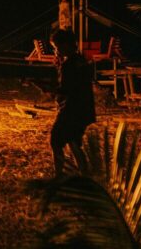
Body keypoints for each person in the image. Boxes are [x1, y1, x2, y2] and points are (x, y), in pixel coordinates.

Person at [48, 28, 96, 177]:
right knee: (74, 141)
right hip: (84, 108)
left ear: (65, 45)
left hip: (71, 109)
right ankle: (85, 174)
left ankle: (59, 175)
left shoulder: (68, 65)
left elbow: (66, 89)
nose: (56, 51)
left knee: (56, 140)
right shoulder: (82, 61)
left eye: (57, 47)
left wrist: (51, 91)